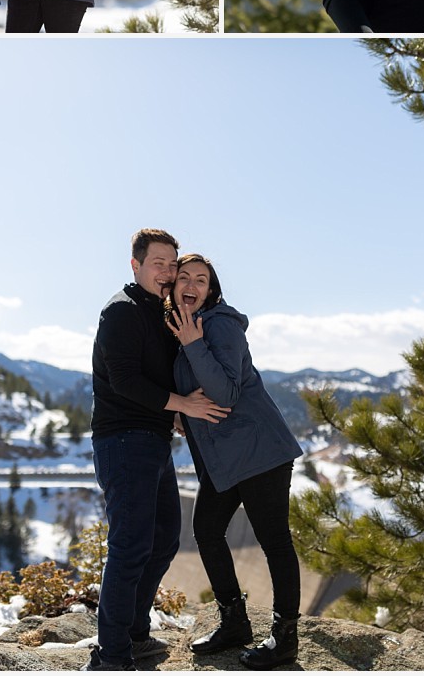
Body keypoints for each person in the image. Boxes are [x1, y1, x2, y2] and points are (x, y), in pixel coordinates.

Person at [86, 230, 230, 672]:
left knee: (164, 539)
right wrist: (182, 405)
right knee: (130, 546)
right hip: (123, 440)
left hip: (151, 440)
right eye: (158, 264)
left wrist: (173, 412)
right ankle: (111, 657)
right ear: (136, 265)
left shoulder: (158, 311)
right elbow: (124, 379)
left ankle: (132, 633)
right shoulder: (122, 311)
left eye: (172, 264)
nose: (167, 273)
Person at [166, 253, 303, 670]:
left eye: (202, 280)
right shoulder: (179, 327)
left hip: (260, 452)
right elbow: (198, 388)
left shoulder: (219, 324)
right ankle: (234, 622)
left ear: (212, 290)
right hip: (227, 459)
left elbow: (225, 393)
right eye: (184, 277)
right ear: (173, 287)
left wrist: (192, 345)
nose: (192, 284)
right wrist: (180, 409)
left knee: (274, 542)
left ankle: (285, 639)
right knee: (206, 530)